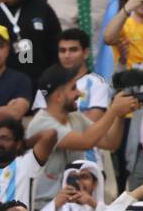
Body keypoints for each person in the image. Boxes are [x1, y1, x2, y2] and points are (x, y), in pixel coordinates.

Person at [28, 63, 137, 203]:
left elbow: (111, 143)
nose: (79, 93)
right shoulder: (41, 124)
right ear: (59, 97)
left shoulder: (74, 117)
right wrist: (113, 109)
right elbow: (86, 142)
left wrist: (120, 115)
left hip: (72, 205)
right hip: (43, 207)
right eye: (73, 88)